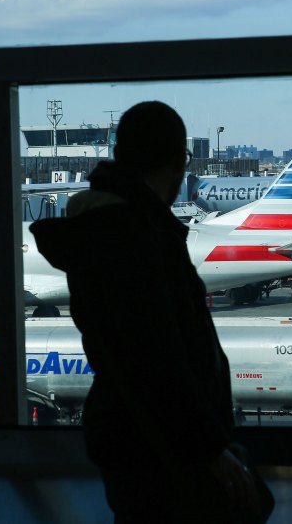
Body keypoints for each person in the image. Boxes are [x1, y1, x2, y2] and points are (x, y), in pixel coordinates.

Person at [31, 101, 271, 523]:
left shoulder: (116, 229)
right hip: (163, 449)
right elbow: (154, 360)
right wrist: (209, 448)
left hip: (146, 442)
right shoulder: (132, 236)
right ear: (179, 161)